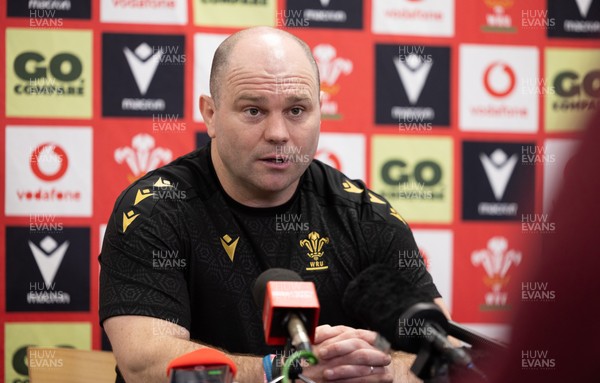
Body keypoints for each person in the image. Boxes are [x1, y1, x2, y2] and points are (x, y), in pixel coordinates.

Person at [99, 26, 449, 383]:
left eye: (297, 110)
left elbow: (442, 350)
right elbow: (145, 363)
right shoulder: (154, 210)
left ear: (320, 112)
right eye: (254, 110)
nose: (278, 133)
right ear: (211, 114)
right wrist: (283, 371)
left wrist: (378, 371)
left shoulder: (366, 217)